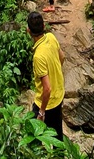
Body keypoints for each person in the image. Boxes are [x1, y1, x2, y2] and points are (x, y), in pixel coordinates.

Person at [27, 11, 65, 140]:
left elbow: (47, 88)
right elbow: (62, 57)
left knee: (33, 136)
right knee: (57, 136)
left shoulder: (38, 56)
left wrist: (41, 112)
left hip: (47, 103)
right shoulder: (51, 37)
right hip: (59, 94)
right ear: (44, 26)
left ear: (28, 31)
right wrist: (55, 73)